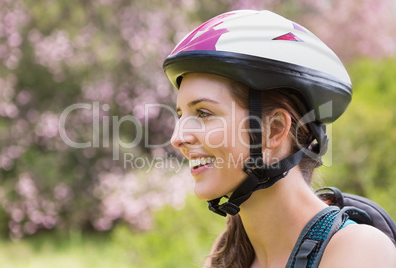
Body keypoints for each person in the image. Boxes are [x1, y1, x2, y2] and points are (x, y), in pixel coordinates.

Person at [163, 10, 396, 268]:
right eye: (181, 114)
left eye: (203, 113)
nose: (178, 138)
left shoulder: (358, 251)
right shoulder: (224, 256)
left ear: (274, 130)